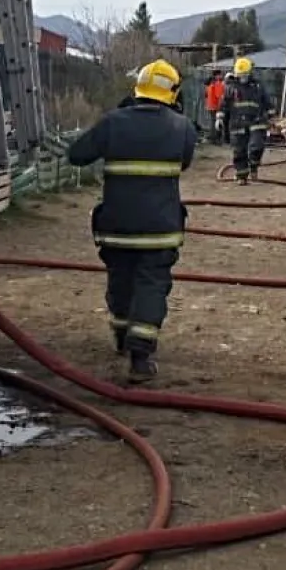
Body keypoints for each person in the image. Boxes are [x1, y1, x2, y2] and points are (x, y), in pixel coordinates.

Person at [67, 59, 197, 382]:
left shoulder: (113, 122)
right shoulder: (182, 128)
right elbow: (184, 162)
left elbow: (76, 155)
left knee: (120, 281)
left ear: (137, 88)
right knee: (151, 285)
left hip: (117, 227)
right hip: (159, 231)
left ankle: (122, 335)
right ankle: (140, 357)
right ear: (173, 92)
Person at [216, 56, 272, 184]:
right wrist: (219, 118)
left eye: (245, 74)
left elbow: (267, 101)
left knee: (257, 146)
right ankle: (241, 176)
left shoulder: (257, 86)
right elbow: (224, 105)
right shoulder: (230, 88)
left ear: (250, 73)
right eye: (240, 74)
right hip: (237, 124)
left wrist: (271, 115)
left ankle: (253, 166)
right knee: (239, 151)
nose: (242, 77)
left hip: (256, 121)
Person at [204, 70, 226, 143]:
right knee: (217, 122)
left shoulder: (210, 84)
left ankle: (212, 137)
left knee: (213, 122)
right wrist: (220, 106)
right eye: (220, 75)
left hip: (210, 105)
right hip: (216, 106)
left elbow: (206, 95)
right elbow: (219, 96)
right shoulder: (217, 84)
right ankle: (216, 138)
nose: (221, 76)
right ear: (217, 75)